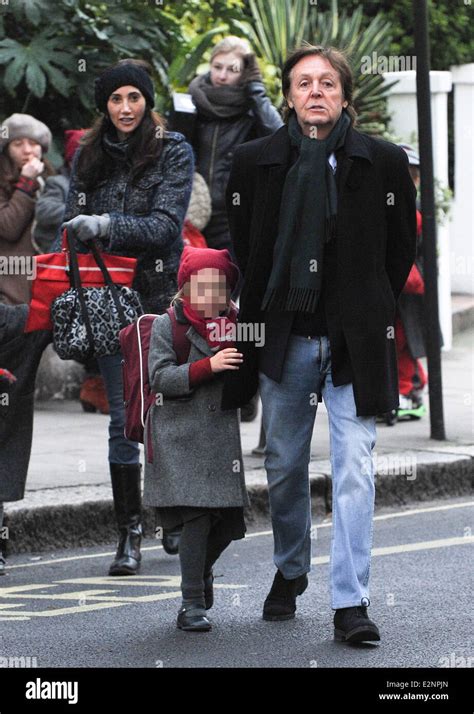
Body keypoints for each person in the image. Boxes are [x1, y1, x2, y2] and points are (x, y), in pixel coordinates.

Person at [221, 44, 417, 643]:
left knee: (355, 467)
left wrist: (367, 307)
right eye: (303, 82)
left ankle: (350, 603)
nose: (315, 92)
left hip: (356, 339)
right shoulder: (256, 162)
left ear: (343, 94)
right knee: (283, 467)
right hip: (286, 335)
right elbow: (247, 254)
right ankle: (290, 568)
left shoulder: (381, 162)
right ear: (286, 94)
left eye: (327, 83)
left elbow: (398, 254)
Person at [60, 61, 194, 576]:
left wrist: (106, 224)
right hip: (106, 300)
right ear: (104, 105)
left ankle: (176, 514)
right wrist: (63, 265)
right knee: (123, 415)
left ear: (147, 101)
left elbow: (164, 226)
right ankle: (129, 532)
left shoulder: (172, 148)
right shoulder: (88, 154)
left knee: (163, 406)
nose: (125, 109)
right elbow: (69, 227)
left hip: (159, 296)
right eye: (115, 99)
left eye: (134, 98)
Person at [144, 245, 248, 632]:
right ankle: (191, 604)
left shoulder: (237, 325)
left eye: (218, 288)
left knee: (230, 524)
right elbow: (161, 379)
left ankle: (200, 571)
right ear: (184, 289)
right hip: (179, 436)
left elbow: (247, 381)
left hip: (221, 437)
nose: (209, 296)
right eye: (200, 287)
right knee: (198, 518)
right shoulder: (166, 325)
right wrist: (209, 365)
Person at [0, 114, 55, 573]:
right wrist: (24, 186)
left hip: (33, 316)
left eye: (34, 145)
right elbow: (6, 228)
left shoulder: (51, 185)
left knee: (14, 416)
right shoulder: (13, 186)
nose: (28, 152)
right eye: (19, 144)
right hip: (4, 311)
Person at [188, 36, 283, 255]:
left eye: (232, 69)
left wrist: (256, 90)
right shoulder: (192, 102)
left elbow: (280, 137)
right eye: (217, 67)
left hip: (235, 218)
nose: (222, 75)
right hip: (194, 215)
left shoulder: (253, 111)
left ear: (245, 73)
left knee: (231, 284)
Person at [395, 144, 427, 420]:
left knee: (403, 342)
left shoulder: (415, 209)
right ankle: (408, 387)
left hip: (408, 289)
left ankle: (408, 389)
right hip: (397, 289)